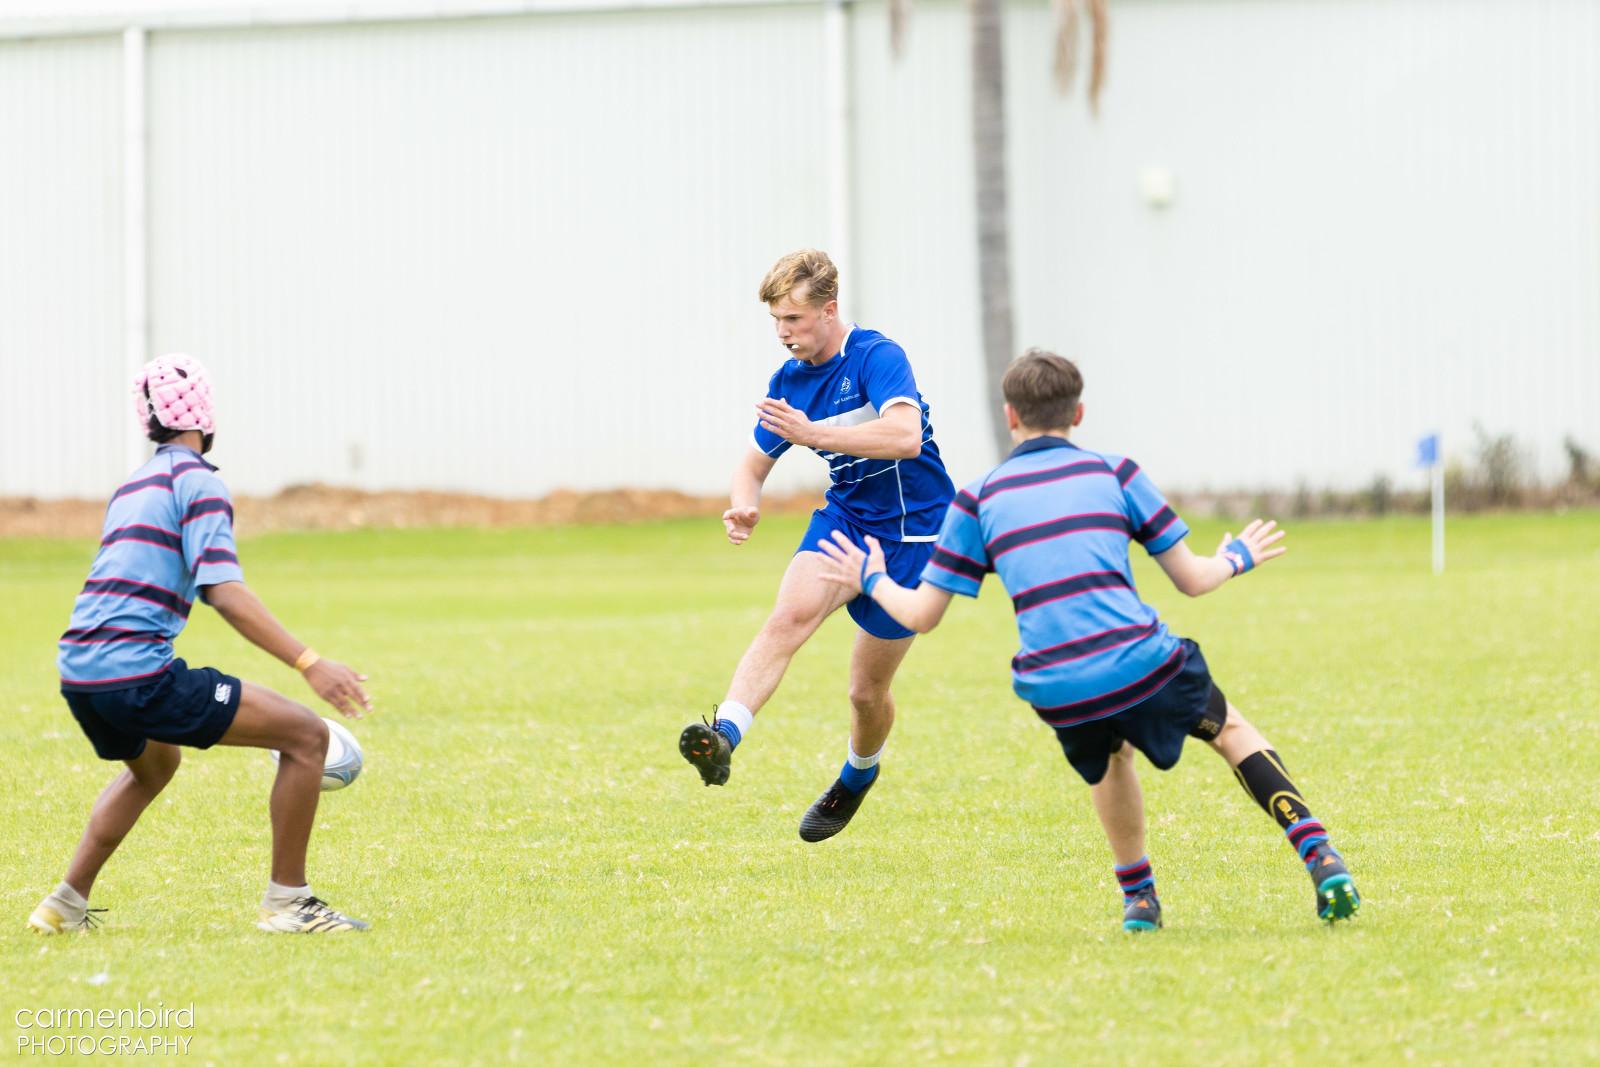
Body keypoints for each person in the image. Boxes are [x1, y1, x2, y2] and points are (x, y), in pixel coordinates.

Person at [811, 349, 1360, 928]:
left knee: (1109, 757)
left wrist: (871, 577)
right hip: (1143, 663)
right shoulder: (1115, 473)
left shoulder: (977, 498)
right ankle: (1318, 852)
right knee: (1229, 731)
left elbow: (922, 616)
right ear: (1078, 413)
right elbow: (1193, 580)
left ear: (1009, 416)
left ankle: (1139, 901)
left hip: (1058, 686)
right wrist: (1237, 557)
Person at [31, 354, 373, 936]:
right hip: (135, 673)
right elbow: (224, 592)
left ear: (149, 420)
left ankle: (63, 904)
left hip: (81, 673)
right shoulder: (198, 483)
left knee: (155, 765)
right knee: (306, 736)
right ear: (206, 414)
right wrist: (309, 662)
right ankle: (288, 903)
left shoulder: (132, 487)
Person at [678, 249, 956, 841]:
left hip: (912, 533)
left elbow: (905, 436)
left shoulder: (877, 356)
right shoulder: (789, 381)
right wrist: (744, 503)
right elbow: (751, 466)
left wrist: (813, 433)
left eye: (793, 319)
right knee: (788, 618)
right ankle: (723, 735)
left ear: (828, 310)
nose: (783, 333)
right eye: (775, 320)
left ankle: (858, 775)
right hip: (845, 520)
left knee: (865, 692)